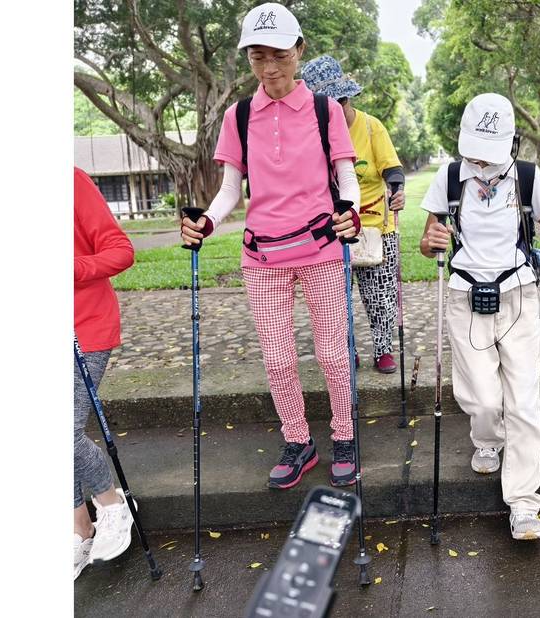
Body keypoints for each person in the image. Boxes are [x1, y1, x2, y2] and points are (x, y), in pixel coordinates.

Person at [180, 3, 362, 490]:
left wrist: (349, 209)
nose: (270, 68)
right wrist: (206, 220)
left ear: (299, 50)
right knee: (278, 357)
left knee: (332, 352)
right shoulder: (239, 117)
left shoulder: (325, 110)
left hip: (322, 248)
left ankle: (344, 436)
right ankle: (297, 440)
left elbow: (345, 172)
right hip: (263, 256)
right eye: (259, 57)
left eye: (279, 55)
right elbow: (230, 189)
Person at [419, 93, 540, 540]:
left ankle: (525, 505)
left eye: (490, 153)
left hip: (518, 294)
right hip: (465, 294)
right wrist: (431, 240)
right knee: (484, 400)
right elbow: (427, 242)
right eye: (475, 151)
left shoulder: (527, 176)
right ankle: (487, 438)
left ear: (510, 142)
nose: (482, 162)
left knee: (524, 403)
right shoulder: (449, 177)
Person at [301, 54, 407, 374]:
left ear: (347, 99)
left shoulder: (372, 127)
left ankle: (383, 349)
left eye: (340, 103)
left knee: (379, 295)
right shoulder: (313, 135)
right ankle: (348, 349)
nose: (336, 111)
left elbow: (392, 168)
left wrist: (396, 189)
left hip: (376, 226)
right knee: (336, 299)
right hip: (334, 229)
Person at [73, 167, 136, 578]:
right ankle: (79, 529)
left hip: (85, 327)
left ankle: (112, 504)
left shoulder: (69, 181)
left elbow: (121, 250)